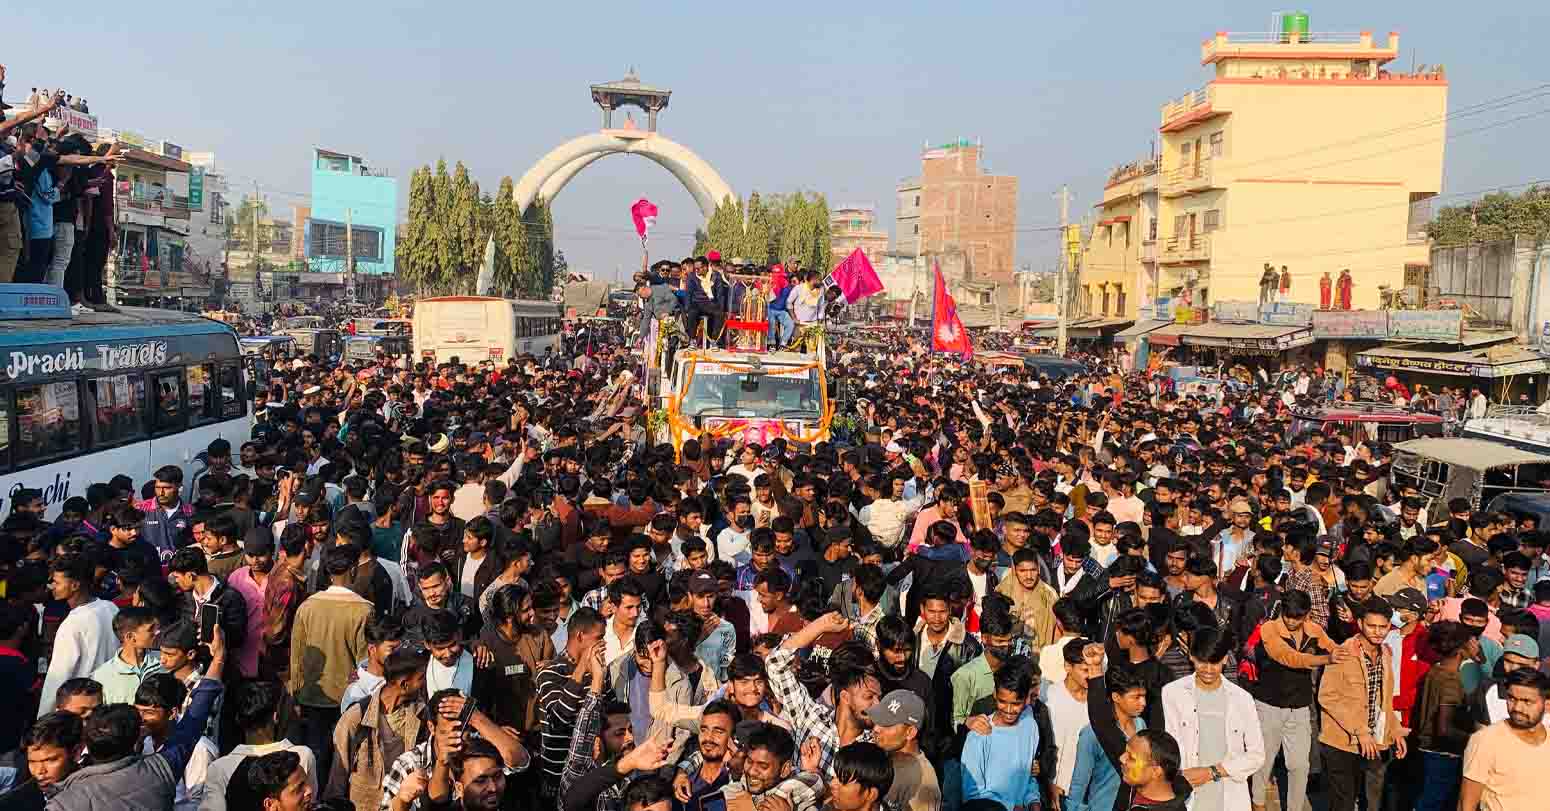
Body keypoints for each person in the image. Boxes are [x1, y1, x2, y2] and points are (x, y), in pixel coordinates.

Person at [288, 545, 373, 789]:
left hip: (311, 698)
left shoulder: (307, 607)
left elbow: (297, 657)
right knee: (346, 761)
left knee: (316, 759)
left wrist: (297, 694)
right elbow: (365, 663)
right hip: (350, 700)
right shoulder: (364, 610)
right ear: (354, 570)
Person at [1159, 625, 1264, 811]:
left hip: (1230, 796)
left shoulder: (1242, 699)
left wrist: (1212, 772)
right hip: (1187, 796)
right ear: (1191, 656)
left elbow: (1256, 755)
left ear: (1225, 659)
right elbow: (1169, 746)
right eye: (1202, 661)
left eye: (1214, 663)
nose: (1208, 669)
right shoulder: (1172, 694)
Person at [1318, 598, 1406, 811]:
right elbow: (1327, 696)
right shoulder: (1344, 653)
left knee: (1371, 800)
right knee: (1343, 803)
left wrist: (1395, 731)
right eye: (1371, 626)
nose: (1377, 632)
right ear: (1360, 624)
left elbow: (1383, 700)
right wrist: (1360, 730)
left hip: (1373, 741)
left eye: (1383, 627)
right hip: (1341, 742)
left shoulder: (1386, 653)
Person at [38, 554, 119, 717]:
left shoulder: (72, 625)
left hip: (80, 709)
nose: (51, 586)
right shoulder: (111, 608)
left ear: (74, 585)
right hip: (107, 704)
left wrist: (44, 717)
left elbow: (58, 676)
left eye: (57, 582)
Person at [1459, 668, 1550, 811]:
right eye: (1512, 699)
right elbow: (1466, 805)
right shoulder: (1485, 741)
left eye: (1527, 702)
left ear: (1547, 705)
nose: (1518, 708)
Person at [960, 656, 1042, 811]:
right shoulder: (978, 735)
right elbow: (972, 794)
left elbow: (1027, 775)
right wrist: (1010, 807)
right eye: (1003, 702)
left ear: (1026, 699)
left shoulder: (1030, 725)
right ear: (994, 695)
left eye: (1016, 704)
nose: (1009, 710)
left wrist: (1034, 801)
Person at [864, 689, 939, 811]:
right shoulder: (882, 755)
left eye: (887, 724)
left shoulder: (923, 783)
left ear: (910, 732)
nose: (876, 728)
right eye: (878, 721)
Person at [89, 605, 163, 704]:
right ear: (130, 637)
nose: (157, 632)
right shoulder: (101, 676)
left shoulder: (164, 661)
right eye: (151, 629)